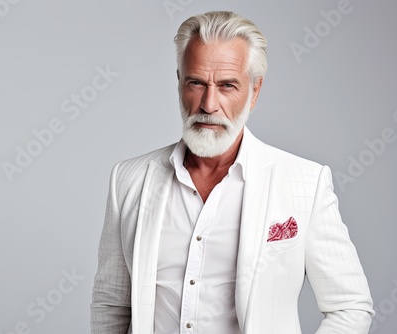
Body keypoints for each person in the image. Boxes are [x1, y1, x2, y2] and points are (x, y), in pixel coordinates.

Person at [91, 10, 374, 334]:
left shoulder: (305, 183)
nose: (209, 104)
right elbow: (111, 303)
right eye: (196, 82)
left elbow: (349, 306)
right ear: (180, 82)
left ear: (254, 91)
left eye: (227, 86)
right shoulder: (129, 179)